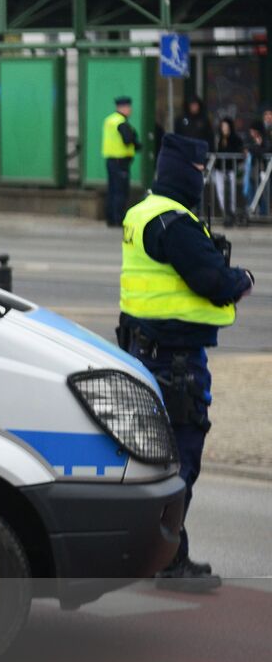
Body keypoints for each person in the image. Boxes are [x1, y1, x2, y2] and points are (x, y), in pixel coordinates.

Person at [117, 135, 254, 591]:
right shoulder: (175, 223)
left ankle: (153, 551)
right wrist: (243, 278)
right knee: (180, 463)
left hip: (146, 352)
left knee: (156, 461)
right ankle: (169, 561)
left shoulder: (143, 212)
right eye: (199, 172)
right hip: (175, 363)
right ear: (184, 172)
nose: (201, 180)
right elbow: (214, 280)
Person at [101, 96, 141, 227]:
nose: (130, 110)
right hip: (120, 162)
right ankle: (119, 218)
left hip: (111, 160)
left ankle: (111, 218)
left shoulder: (109, 120)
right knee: (121, 191)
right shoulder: (121, 122)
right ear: (123, 107)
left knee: (112, 190)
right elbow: (127, 139)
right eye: (129, 107)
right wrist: (135, 141)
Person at [211, 117, 244, 226]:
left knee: (232, 192)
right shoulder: (218, 139)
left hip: (230, 169)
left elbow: (238, 153)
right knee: (220, 191)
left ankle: (232, 212)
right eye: (223, 126)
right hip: (220, 169)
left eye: (226, 126)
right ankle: (225, 212)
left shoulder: (235, 139)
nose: (224, 129)